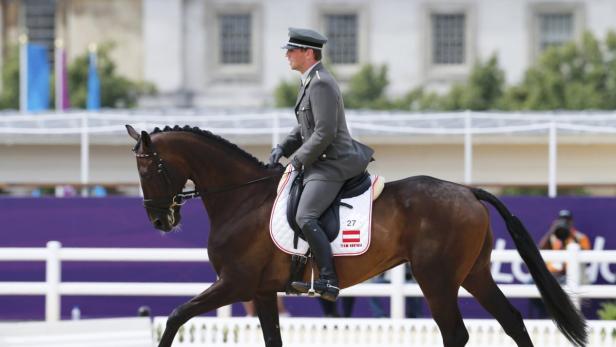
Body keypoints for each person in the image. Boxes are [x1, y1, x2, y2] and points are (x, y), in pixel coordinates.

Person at [269, 28, 374, 302]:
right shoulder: (309, 81)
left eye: (292, 50)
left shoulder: (321, 83)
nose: (287, 55)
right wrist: (282, 147)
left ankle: (329, 278)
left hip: (333, 163)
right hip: (320, 162)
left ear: (308, 53)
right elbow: (305, 128)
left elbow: (324, 132)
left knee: (305, 216)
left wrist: (297, 160)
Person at [530, 209, 591, 318]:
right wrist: (553, 229)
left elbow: (586, 260)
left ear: (571, 222)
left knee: (565, 291)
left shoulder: (580, 237)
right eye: (561, 220)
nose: (564, 222)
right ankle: (543, 318)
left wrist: (570, 235)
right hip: (551, 274)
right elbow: (539, 250)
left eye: (567, 220)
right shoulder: (553, 236)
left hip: (568, 275)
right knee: (531, 283)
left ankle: (566, 319)